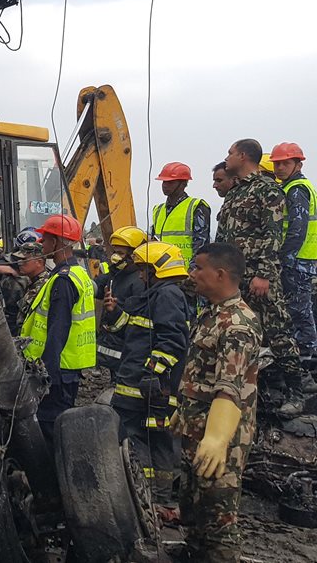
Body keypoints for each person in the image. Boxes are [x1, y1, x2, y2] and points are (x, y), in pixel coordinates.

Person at [217, 138, 316, 411]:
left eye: (230, 152)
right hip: (235, 277)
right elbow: (225, 237)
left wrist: (264, 275)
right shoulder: (236, 192)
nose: (227, 157)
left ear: (244, 156)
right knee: (240, 332)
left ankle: (298, 390)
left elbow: (273, 236)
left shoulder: (267, 190)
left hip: (258, 276)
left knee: (279, 332)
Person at [178, 243, 261, 562]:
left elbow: (229, 388)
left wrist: (216, 440)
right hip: (198, 430)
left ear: (220, 274)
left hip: (222, 440)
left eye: (198, 268)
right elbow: (201, 375)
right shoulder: (211, 313)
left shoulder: (237, 324)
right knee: (197, 519)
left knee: (218, 525)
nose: (193, 274)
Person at [107, 242, 190, 510]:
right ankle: (155, 498)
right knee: (151, 440)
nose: (140, 275)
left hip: (148, 389)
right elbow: (131, 332)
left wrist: (153, 374)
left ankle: (152, 499)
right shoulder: (154, 296)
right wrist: (115, 313)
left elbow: (173, 341)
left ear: (159, 270)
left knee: (144, 440)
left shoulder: (167, 296)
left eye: (145, 270)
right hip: (139, 384)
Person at [20, 214, 97, 440]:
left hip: (57, 371)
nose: (41, 243)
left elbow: (57, 330)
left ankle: (51, 474)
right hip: (68, 369)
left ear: (57, 242)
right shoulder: (78, 274)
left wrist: (46, 374)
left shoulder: (63, 280)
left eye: (46, 239)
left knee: (50, 429)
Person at [270, 142, 317, 358]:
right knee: (299, 310)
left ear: (298, 164)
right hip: (301, 259)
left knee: (299, 311)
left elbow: (297, 229)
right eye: (276, 163)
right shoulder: (291, 187)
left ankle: (307, 359)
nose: (279, 168)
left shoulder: (296, 189)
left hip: (297, 260)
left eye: (284, 163)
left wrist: (283, 259)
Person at [95, 226, 149, 378]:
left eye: (120, 253)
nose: (115, 257)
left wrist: (115, 310)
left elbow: (137, 324)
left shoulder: (139, 281)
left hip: (128, 351)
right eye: (114, 252)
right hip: (115, 348)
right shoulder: (116, 274)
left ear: (134, 255)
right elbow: (97, 287)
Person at [151, 162, 210, 269]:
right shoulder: (158, 210)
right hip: (161, 271)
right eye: (164, 181)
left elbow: (201, 244)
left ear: (183, 184)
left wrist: (194, 270)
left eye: (170, 182)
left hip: (185, 271)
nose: (165, 185)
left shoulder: (196, 206)